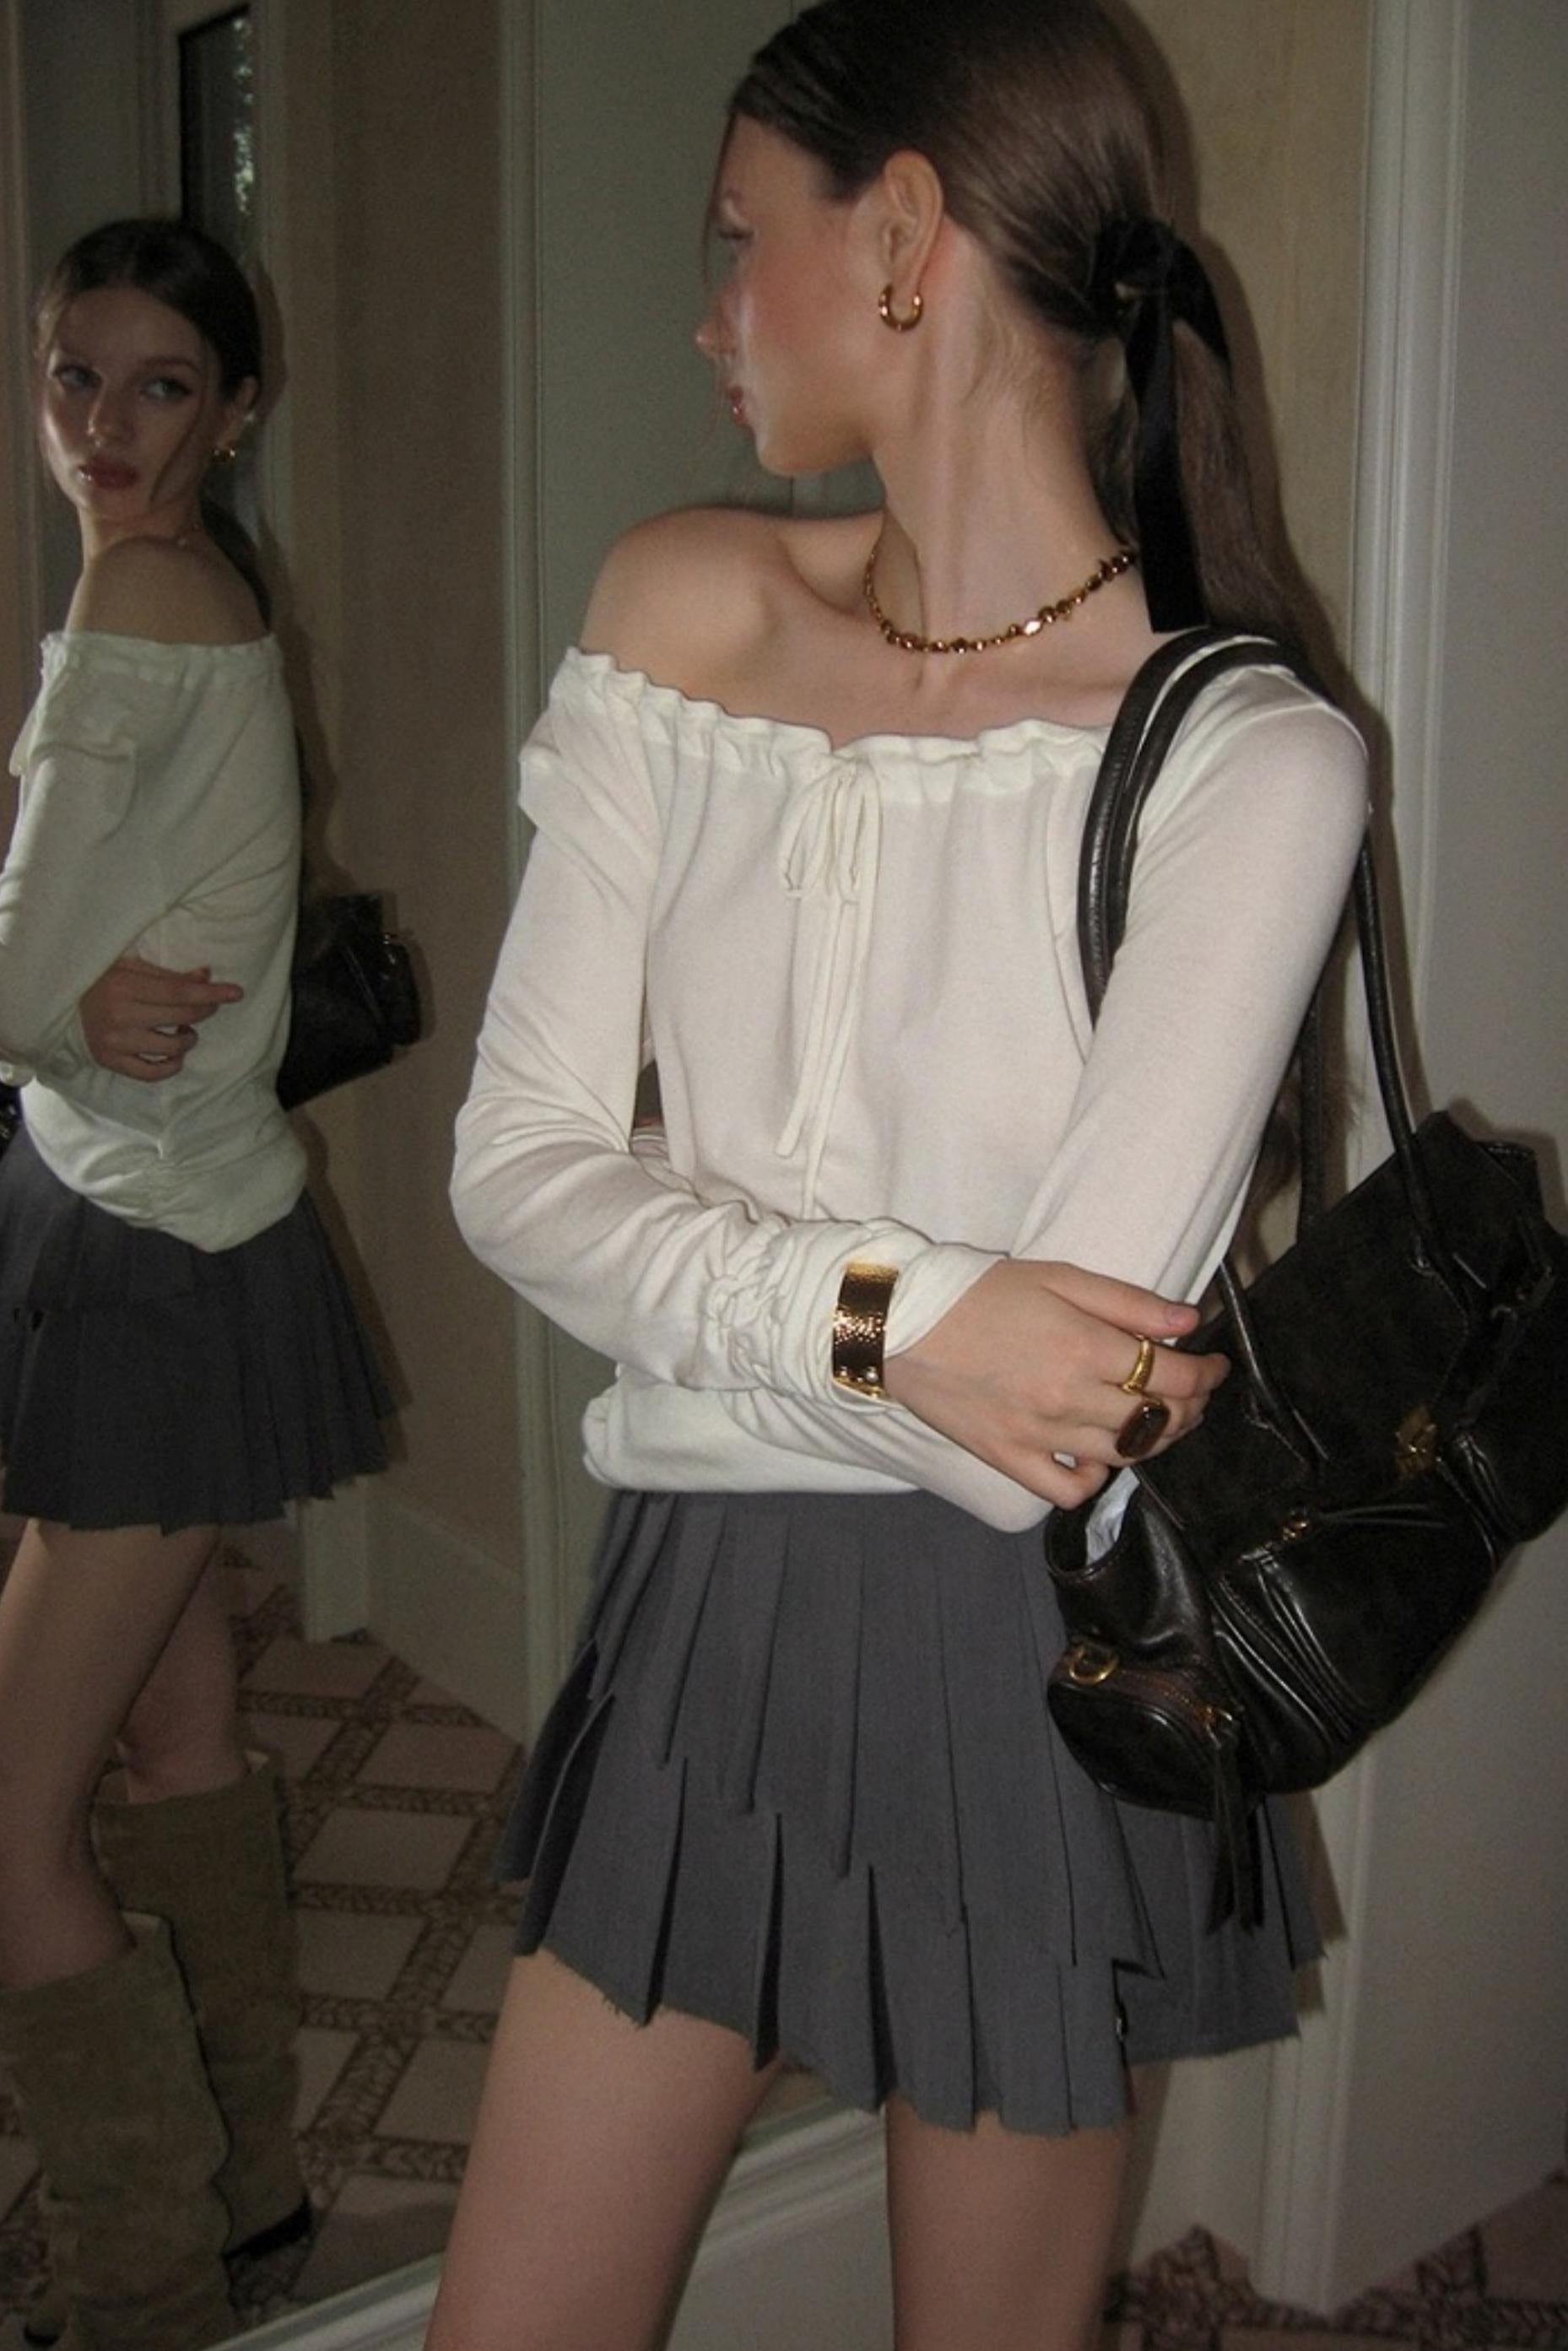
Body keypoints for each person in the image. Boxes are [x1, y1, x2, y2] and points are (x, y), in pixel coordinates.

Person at [435, 4, 1367, 2347]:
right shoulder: (684, 609)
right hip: (701, 1609)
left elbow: (1033, 1441)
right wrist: (900, 1317)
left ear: (906, 237)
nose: (707, 310)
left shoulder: (1251, 756)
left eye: (735, 237)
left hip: (1033, 1656)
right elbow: (512, 1171)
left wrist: (699, 1270)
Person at [0, 219, 390, 2351]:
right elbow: (50, 973)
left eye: (159, 386)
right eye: (75, 376)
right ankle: (242, 2212)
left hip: (152, 1254)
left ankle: (142, 2292)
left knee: (7, 1831)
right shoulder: (199, 587)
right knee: (177, 1729)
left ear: (235, 411)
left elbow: (11, 964)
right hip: (158, 1219)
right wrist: (68, 1011)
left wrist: (52, 1008)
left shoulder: (141, 595)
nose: (104, 427)